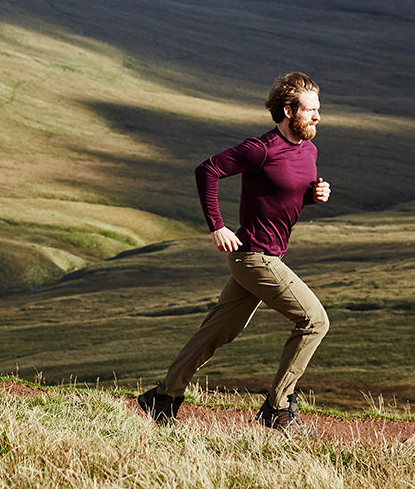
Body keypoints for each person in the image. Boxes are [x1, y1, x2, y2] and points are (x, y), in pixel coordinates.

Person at [137, 71, 332, 433]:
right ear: (289, 111)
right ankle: (277, 408)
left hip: (267, 255)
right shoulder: (261, 149)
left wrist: (312, 195)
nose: (318, 117)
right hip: (255, 257)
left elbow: (285, 194)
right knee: (315, 320)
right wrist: (217, 225)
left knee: (215, 333)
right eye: (311, 110)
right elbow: (207, 170)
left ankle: (162, 398)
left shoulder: (309, 149)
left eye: (318, 110)